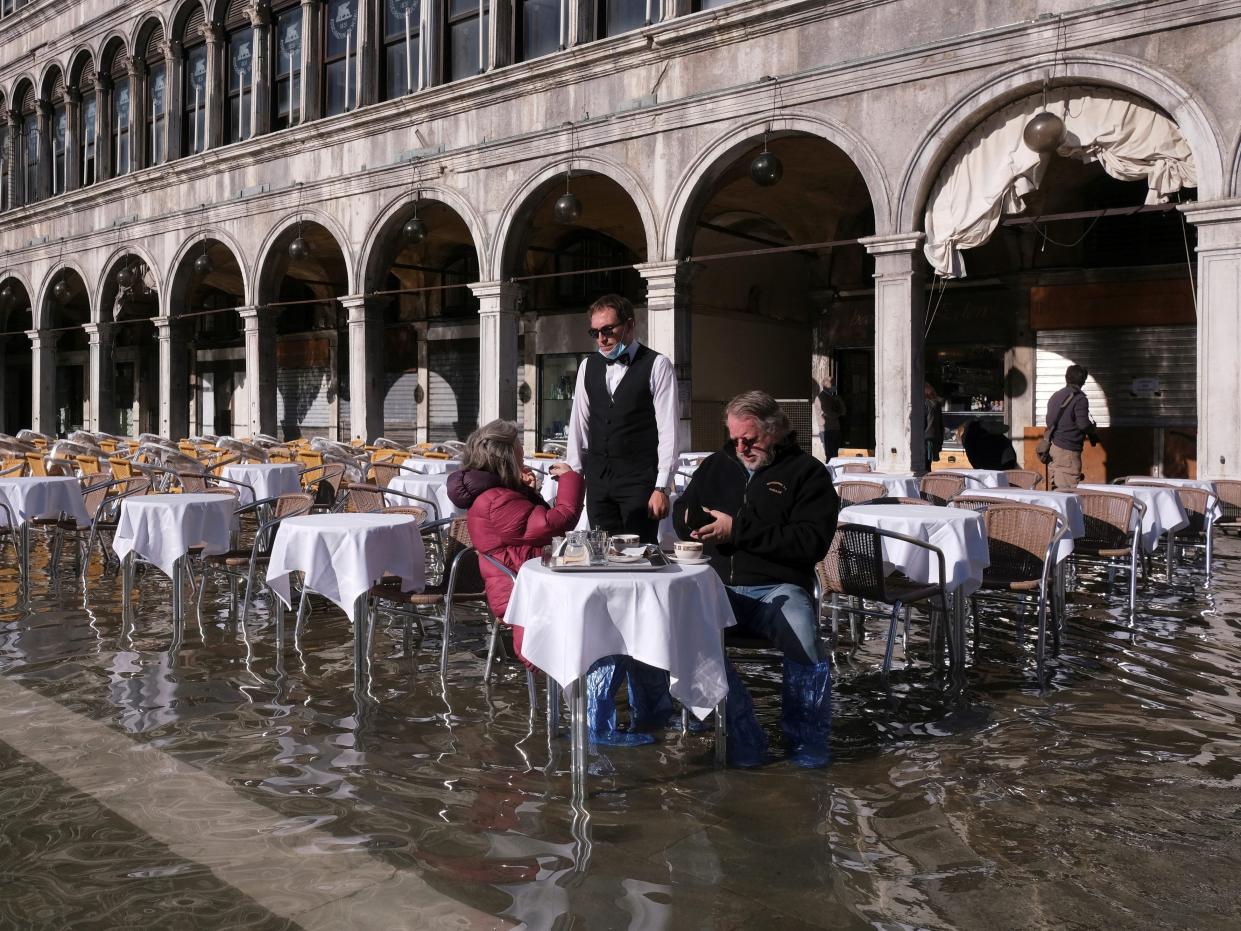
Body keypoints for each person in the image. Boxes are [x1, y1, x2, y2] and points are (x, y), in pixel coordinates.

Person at [673, 391, 838, 768]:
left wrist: (739, 530)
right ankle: (736, 724)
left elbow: (811, 542)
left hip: (778, 587)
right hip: (717, 587)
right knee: (676, 628)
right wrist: (688, 521)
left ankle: (807, 738)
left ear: (776, 429)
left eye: (750, 439)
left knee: (804, 635)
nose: (742, 447)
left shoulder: (807, 473)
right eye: (735, 440)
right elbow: (685, 507)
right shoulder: (717, 464)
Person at [566, 293, 680, 745]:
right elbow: (580, 423)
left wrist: (662, 485)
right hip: (601, 479)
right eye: (595, 332)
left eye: (608, 330)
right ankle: (605, 692)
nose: (602, 339)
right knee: (603, 570)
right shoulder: (588, 367)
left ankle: (647, 692)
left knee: (637, 579)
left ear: (630, 326)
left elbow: (669, 429)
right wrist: (574, 474)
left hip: (639, 481)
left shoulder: (658, 366)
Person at [446, 420, 584, 664]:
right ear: (506, 457)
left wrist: (528, 493)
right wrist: (571, 480)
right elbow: (557, 523)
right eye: (518, 447)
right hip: (520, 590)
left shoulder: (497, 495)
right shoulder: (497, 501)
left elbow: (531, 528)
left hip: (522, 579)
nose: (523, 452)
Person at [1045, 364, 1095, 490]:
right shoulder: (1080, 399)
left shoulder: (1055, 396)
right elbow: (1083, 424)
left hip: (1054, 449)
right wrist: (1092, 429)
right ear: (1083, 380)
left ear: (1066, 378)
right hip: (1068, 453)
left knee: (1056, 492)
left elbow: (1049, 421)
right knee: (1066, 496)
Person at [813, 380, 846, 461]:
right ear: (827, 386)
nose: (835, 386)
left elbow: (844, 411)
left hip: (835, 429)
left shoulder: (833, 397)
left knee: (835, 454)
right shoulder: (821, 398)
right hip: (827, 430)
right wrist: (839, 413)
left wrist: (839, 401)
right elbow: (829, 414)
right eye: (833, 384)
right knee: (830, 456)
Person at [923, 382, 944, 471]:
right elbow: (941, 425)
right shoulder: (936, 404)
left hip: (924, 439)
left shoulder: (924, 404)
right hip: (932, 439)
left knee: (923, 467)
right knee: (928, 465)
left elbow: (922, 422)